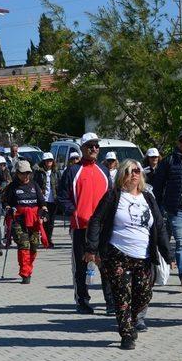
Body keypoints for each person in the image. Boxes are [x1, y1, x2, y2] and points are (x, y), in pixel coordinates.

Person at [86, 159, 173, 349]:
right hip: (117, 255)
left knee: (143, 295)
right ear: (122, 174)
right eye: (129, 171)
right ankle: (126, 334)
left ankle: (132, 321)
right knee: (122, 295)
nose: (133, 174)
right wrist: (91, 249)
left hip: (143, 257)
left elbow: (159, 225)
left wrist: (168, 254)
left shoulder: (148, 198)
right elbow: (95, 221)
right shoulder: (113, 196)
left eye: (137, 171)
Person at [58, 132, 114, 315]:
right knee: (81, 267)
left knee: (106, 265)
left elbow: (112, 198)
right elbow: (63, 196)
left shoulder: (104, 171)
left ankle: (111, 302)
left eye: (96, 146)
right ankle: (82, 301)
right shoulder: (73, 171)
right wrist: (74, 212)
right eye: (90, 146)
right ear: (82, 148)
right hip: (81, 228)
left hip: (102, 229)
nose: (94, 149)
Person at [152, 129, 182, 291]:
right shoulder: (169, 161)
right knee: (181, 243)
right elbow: (158, 187)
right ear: (177, 142)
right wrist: (157, 208)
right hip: (176, 209)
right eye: (181, 140)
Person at [3, 160, 48, 284]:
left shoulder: (34, 185)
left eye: (28, 173)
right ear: (17, 173)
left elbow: (42, 202)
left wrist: (44, 210)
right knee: (24, 245)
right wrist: (8, 209)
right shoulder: (12, 187)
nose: (26, 176)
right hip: (18, 220)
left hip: (33, 220)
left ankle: (28, 267)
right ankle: (25, 273)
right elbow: (6, 202)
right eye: (23, 173)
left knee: (34, 245)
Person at [33, 152, 61, 247]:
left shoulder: (56, 172)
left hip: (53, 199)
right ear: (44, 162)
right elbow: (35, 184)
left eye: (51, 160)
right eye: (47, 160)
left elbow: (60, 185)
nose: (49, 162)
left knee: (51, 222)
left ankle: (48, 239)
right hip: (43, 200)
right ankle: (44, 239)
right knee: (44, 220)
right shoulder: (38, 172)